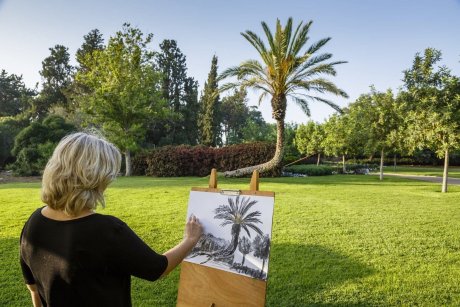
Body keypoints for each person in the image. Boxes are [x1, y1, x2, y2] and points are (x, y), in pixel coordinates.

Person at [19, 132, 203, 307]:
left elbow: (34, 290)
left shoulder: (33, 222)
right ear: (95, 178)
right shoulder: (106, 230)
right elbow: (157, 268)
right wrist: (190, 239)